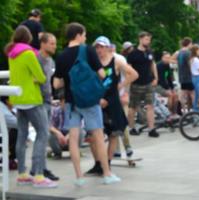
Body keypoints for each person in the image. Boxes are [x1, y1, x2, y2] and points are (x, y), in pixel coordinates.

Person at [53, 22, 120, 185]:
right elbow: (103, 74)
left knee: (74, 139)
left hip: (71, 101)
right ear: (78, 35)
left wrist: (70, 81)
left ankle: (79, 177)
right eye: (84, 34)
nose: (85, 37)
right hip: (90, 100)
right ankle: (107, 174)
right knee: (98, 136)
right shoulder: (88, 50)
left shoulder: (61, 56)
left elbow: (56, 84)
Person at [5, 25, 57, 188]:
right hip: (32, 99)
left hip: (18, 98)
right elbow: (41, 77)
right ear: (28, 39)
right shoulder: (28, 54)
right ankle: (39, 176)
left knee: (22, 135)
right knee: (42, 133)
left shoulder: (12, 54)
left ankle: (22, 174)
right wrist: (36, 79)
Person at [86, 36, 138, 176]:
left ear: (108, 47)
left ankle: (107, 164)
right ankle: (98, 164)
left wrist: (120, 86)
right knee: (93, 135)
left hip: (112, 101)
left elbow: (133, 74)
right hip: (97, 101)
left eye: (101, 47)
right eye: (96, 47)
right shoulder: (92, 62)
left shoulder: (117, 60)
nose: (99, 50)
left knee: (114, 133)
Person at [29, 32, 60, 181]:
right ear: (43, 44)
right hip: (38, 101)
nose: (55, 46)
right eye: (52, 43)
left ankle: (37, 168)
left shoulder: (51, 60)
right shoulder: (37, 59)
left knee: (42, 135)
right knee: (43, 134)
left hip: (48, 100)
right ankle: (40, 169)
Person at [126, 31, 159, 137]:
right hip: (136, 83)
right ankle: (132, 127)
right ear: (140, 39)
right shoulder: (132, 54)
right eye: (146, 39)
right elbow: (128, 68)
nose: (148, 41)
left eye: (149, 39)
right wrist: (129, 82)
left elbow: (152, 64)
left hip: (148, 82)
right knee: (133, 107)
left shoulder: (149, 52)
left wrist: (155, 77)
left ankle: (151, 129)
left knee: (150, 105)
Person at [112, 43, 135, 158]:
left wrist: (125, 92)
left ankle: (127, 146)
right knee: (112, 123)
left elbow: (128, 75)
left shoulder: (119, 59)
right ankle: (116, 149)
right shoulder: (100, 59)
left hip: (120, 96)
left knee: (122, 121)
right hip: (110, 97)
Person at [156, 52, 178, 117]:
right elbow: (161, 79)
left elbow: (169, 78)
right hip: (157, 85)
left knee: (176, 95)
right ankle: (169, 113)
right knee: (170, 95)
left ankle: (174, 112)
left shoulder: (167, 65)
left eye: (169, 58)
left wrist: (172, 88)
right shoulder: (160, 65)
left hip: (164, 85)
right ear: (162, 58)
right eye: (166, 58)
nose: (168, 59)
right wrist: (168, 89)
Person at [176, 37, 194, 110]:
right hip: (188, 76)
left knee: (183, 93)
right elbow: (190, 64)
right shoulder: (188, 52)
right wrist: (193, 73)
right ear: (189, 44)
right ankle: (196, 109)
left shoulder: (180, 52)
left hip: (181, 75)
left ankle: (183, 109)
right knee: (192, 93)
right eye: (191, 43)